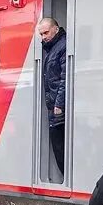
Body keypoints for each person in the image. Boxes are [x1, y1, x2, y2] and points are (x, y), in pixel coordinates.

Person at [37, 17, 67, 177]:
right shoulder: (53, 48)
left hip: (58, 110)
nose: (43, 37)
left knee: (60, 149)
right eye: (41, 34)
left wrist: (59, 104)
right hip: (55, 108)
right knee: (59, 149)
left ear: (56, 28)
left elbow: (65, 77)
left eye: (46, 32)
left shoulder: (61, 47)